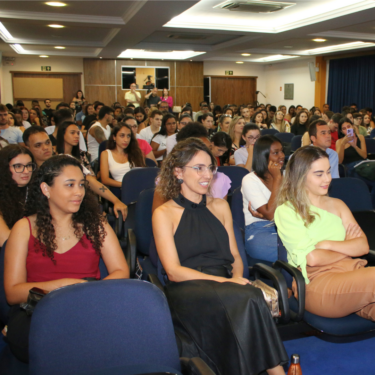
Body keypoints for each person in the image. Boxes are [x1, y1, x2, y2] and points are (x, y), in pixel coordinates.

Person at [152, 138, 287, 375]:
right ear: (178, 172)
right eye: (199, 168)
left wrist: (235, 276)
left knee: (247, 296)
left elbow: (235, 255)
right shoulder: (164, 213)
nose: (207, 175)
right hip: (187, 287)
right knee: (250, 297)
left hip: (224, 280)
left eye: (210, 168)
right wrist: (229, 282)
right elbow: (173, 271)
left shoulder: (220, 206)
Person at [4, 155, 129, 362]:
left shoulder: (96, 225)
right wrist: (66, 286)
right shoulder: (23, 228)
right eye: (70, 185)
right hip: (40, 310)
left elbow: (121, 271)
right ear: (46, 189)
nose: (78, 192)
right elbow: (13, 292)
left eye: (81, 185)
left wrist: (86, 294)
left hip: (89, 305)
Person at [274, 146, 375, 321]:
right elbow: (312, 259)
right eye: (319, 174)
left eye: (328, 172)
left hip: (353, 275)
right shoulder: (287, 211)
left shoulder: (338, 204)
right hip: (317, 284)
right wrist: (347, 246)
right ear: (301, 176)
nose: (327, 179)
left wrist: (326, 244)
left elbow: (363, 246)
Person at [241, 135, 284, 263]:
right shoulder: (250, 180)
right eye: (276, 153)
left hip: (286, 226)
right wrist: (277, 179)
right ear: (263, 156)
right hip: (259, 231)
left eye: (282, 151)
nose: (281, 155)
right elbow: (270, 214)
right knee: (297, 247)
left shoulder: (287, 176)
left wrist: (268, 215)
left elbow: (297, 209)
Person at [0, 145, 36, 246]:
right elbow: (5, 240)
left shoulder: (38, 189)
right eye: (18, 166)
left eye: (29, 165)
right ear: (4, 168)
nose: (26, 171)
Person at [101, 124, 145, 188]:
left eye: (128, 136)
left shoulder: (136, 152)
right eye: (122, 136)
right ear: (114, 137)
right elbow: (105, 180)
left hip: (138, 186)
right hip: (121, 189)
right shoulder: (106, 154)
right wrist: (126, 185)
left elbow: (143, 173)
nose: (126, 140)